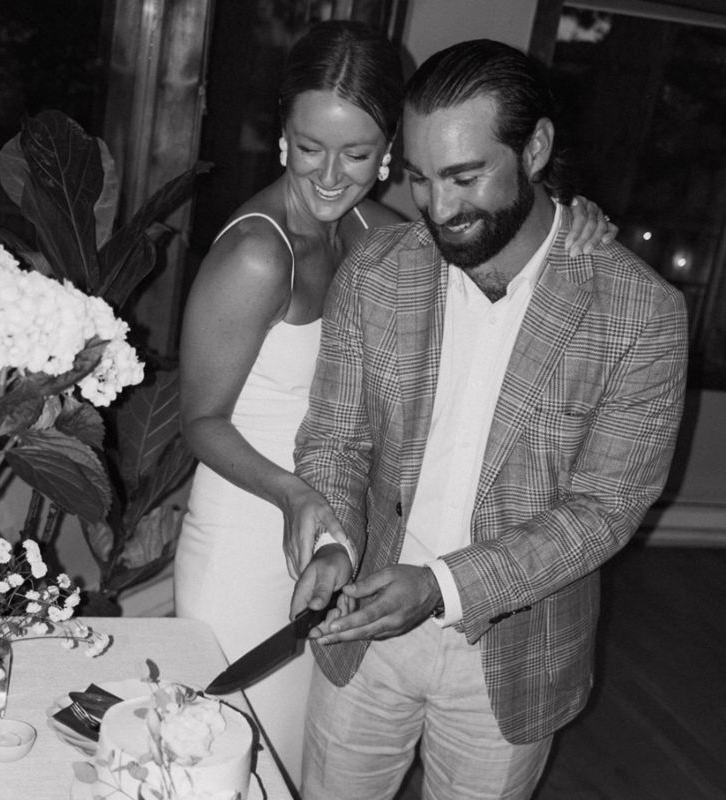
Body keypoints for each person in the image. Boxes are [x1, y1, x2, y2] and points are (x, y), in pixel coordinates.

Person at [174, 22, 614, 789]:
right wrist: (293, 493)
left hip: (340, 533)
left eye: (356, 153)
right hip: (252, 530)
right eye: (309, 147)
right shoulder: (256, 255)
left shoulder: (378, 233)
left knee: (307, 765)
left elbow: (499, 263)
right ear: (282, 135)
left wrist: (572, 223)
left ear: (389, 152)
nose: (329, 175)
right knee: (238, 762)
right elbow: (199, 421)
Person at [291, 38, 688, 800]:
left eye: (465, 176)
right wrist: (336, 542)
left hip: (514, 655)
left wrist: (441, 586)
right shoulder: (375, 274)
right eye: (419, 178)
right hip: (363, 634)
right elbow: (336, 440)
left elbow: (603, 512)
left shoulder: (640, 314)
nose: (439, 210)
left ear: (534, 148)